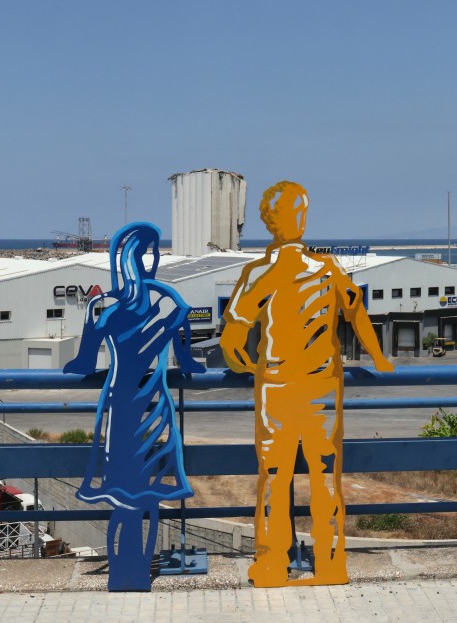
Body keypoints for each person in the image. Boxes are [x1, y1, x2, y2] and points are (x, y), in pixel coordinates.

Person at [220, 181, 394, 587]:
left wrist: (244, 365)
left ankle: (271, 564)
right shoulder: (328, 268)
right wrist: (381, 359)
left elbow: (233, 339)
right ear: (300, 218)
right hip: (321, 386)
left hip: (277, 386)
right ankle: (331, 563)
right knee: (326, 477)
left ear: (268, 223)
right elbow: (358, 315)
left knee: (275, 479)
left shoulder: (259, 272)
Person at [62, 221, 205, 592]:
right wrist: (192, 366)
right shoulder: (167, 301)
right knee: (147, 497)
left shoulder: (103, 305)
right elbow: (187, 362)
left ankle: (125, 574)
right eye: (149, 251)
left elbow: (82, 364)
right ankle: (138, 572)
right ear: (137, 258)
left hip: (121, 407)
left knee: (121, 499)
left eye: (155, 251)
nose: (153, 258)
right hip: (152, 410)